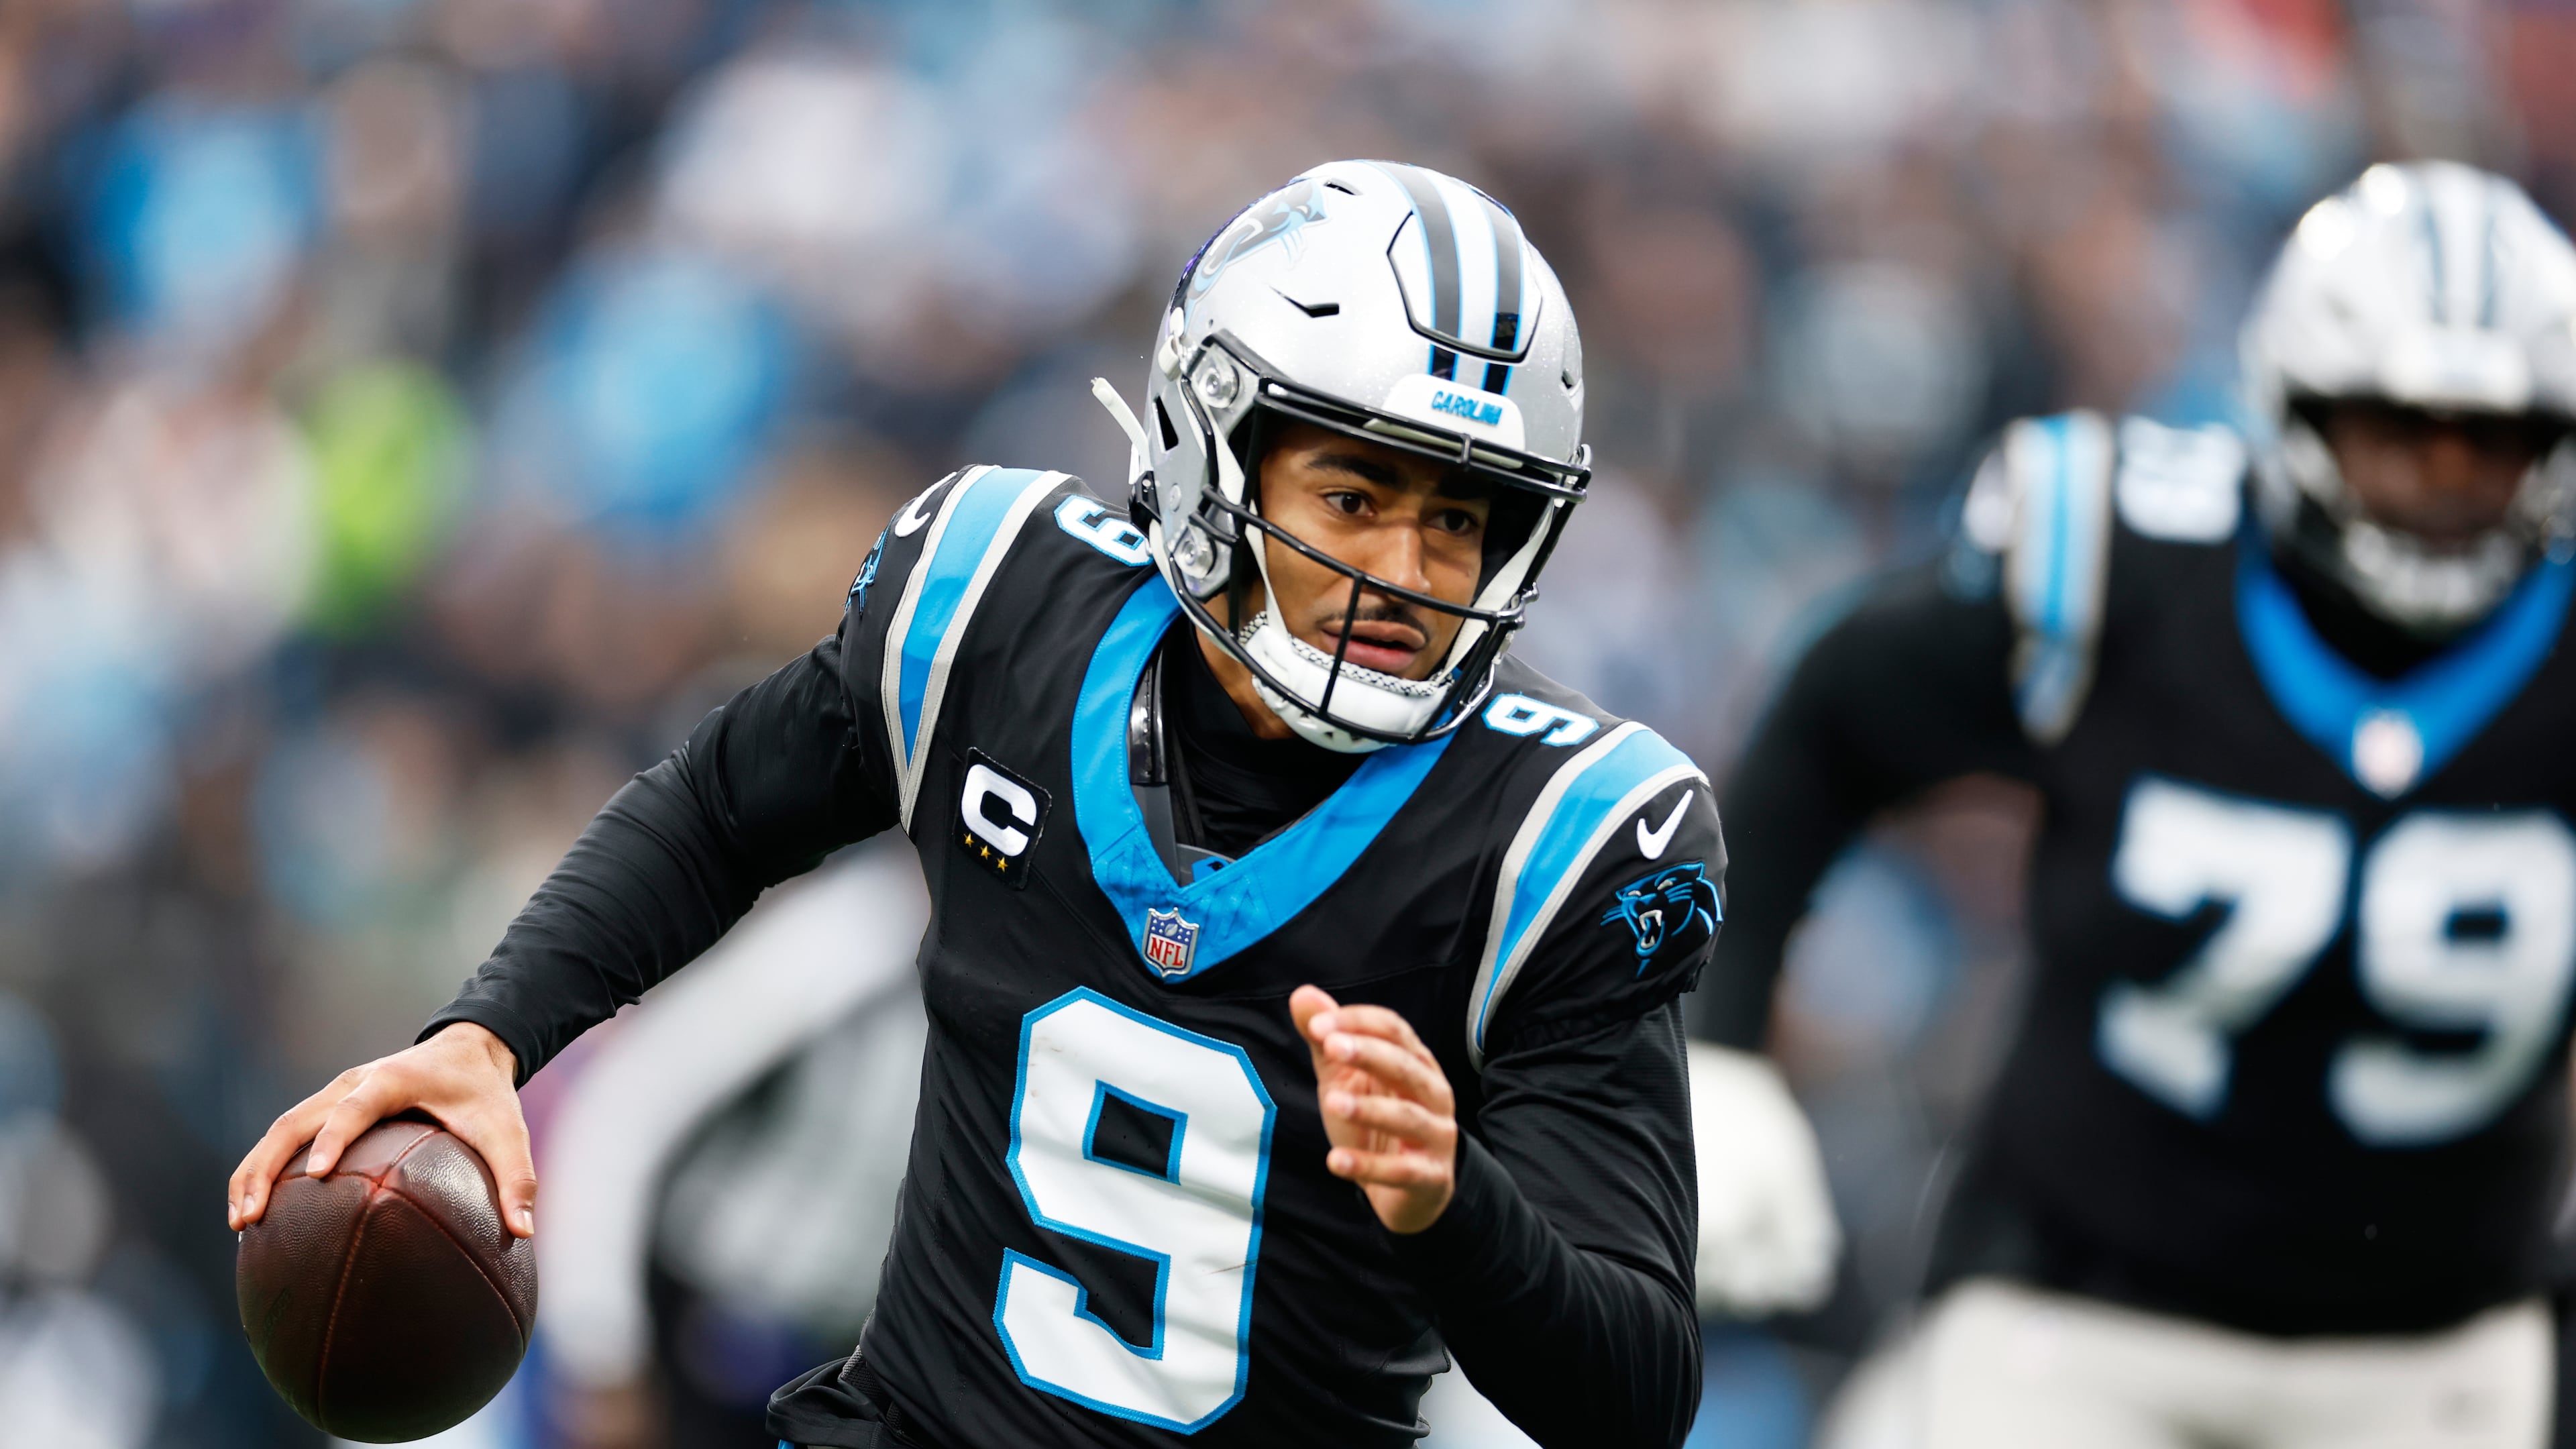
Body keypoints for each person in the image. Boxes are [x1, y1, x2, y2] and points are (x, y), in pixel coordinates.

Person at [230, 161, 1726, 1448]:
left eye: (1460, 519)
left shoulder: (1568, 840)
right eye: (1354, 497)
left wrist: (1453, 1204)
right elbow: (718, 813)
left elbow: (1635, 1391)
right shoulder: (1003, 610)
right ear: (1214, 447)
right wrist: (487, 1038)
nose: (1408, 568)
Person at [1697, 159, 2576, 1449]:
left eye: (2489, 443)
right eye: (2400, 430)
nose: (2443, 482)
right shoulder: (2124, 563)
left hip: (2439, 1345)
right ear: (2297, 409)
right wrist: (1721, 1044)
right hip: (2080, 1318)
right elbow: (1828, 721)